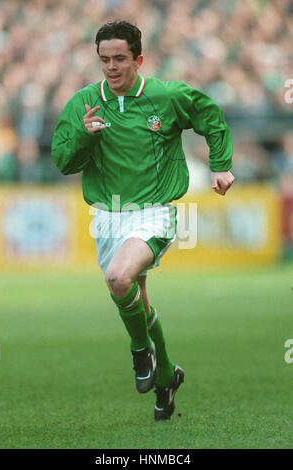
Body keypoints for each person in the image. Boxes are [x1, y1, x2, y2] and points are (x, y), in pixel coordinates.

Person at [52, 20, 235, 421]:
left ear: (139, 59)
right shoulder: (83, 103)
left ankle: (140, 353)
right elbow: (63, 161)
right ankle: (167, 375)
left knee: (119, 278)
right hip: (106, 217)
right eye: (104, 59)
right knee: (135, 297)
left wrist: (220, 166)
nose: (112, 67)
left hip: (153, 212)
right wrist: (85, 135)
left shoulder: (166, 96)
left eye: (120, 59)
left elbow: (210, 116)